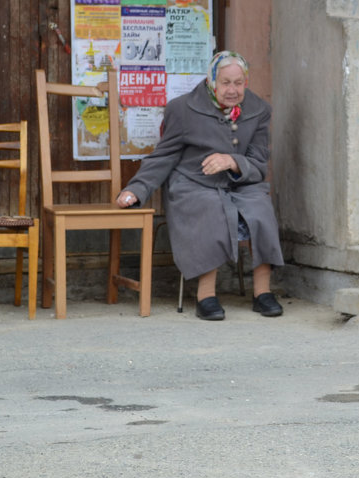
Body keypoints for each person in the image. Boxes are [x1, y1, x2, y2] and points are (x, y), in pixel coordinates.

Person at [117, 51, 285, 320]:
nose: (233, 90)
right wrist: (136, 189)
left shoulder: (259, 110)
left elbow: (259, 162)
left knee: (260, 208)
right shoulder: (183, 109)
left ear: (246, 82)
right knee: (210, 208)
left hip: (239, 183)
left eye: (239, 83)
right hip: (193, 183)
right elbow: (164, 156)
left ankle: (262, 293)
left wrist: (232, 161)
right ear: (212, 81)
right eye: (226, 83)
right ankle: (206, 297)